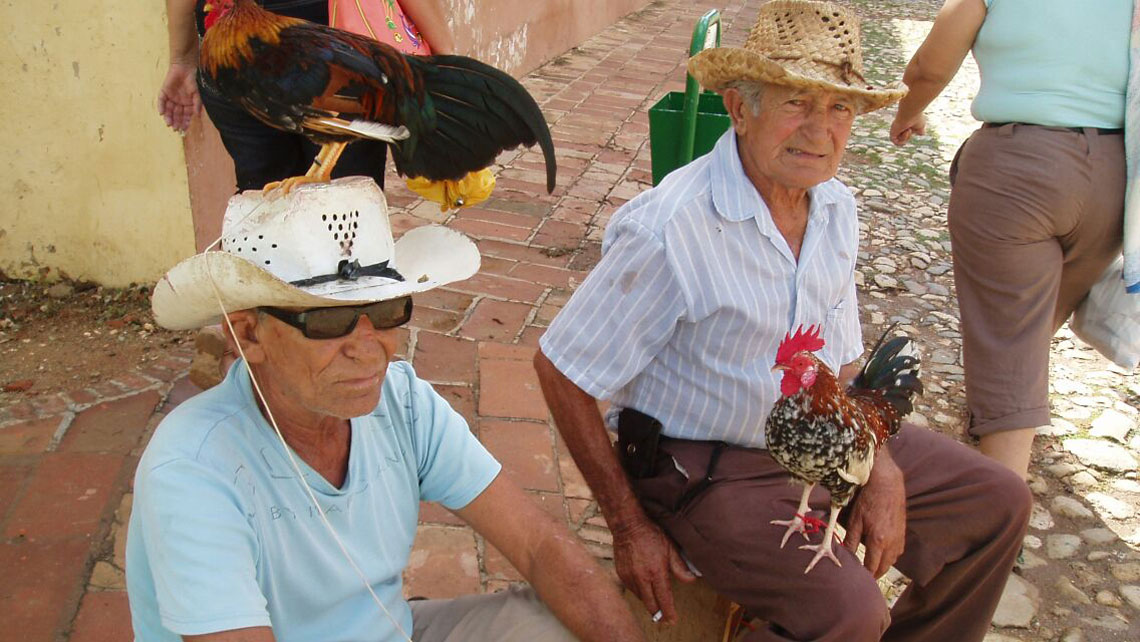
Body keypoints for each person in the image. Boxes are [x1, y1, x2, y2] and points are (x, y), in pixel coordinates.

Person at [533, 2, 1031, 640]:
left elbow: (842, 361)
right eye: (796, 102)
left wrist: (879, 464)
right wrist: (629, 528)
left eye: (840, 107)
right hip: (709, 465)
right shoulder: (671, 229)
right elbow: (562, 370)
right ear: (740, 110)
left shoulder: (834, 207)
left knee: (998, 503)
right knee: (849, 613)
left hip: (825, 439)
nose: (819, 130)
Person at [126, 177, 644, 642]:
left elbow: (536, 544)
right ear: (248, 335)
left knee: (566, 623)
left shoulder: (402, 401)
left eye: (386, 310)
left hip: (391, 628)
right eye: (328, 321)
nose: (369, 348)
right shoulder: (194, 469)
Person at [889, 0, 1129, 479]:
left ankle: (1001, 500)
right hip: (1114, 173)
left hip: (1018, 167)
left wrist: (907, 113)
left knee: (1010, 339)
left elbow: (929, 67)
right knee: (1034, 322)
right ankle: (998, 409)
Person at [157, 0, 454, 191]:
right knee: (344, 202)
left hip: (234, 53)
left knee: (266, 202)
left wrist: (183, 58)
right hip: (331, 50)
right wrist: (446, 61)